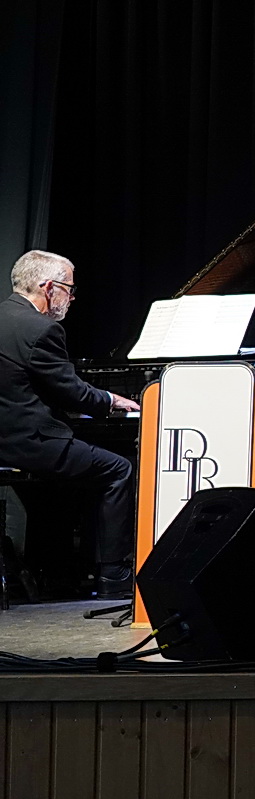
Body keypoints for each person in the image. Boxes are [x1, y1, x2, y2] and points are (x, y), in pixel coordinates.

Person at [0, 250, 140, 597]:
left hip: (7, 438)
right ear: (48, 287)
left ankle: (54, 571)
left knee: (70, 476)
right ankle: (114, 576)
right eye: (69, 289)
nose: (72, 298)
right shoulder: (42, 329)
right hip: (29, 442)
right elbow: (72, 392)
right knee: (119, 468)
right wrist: (111, 400)